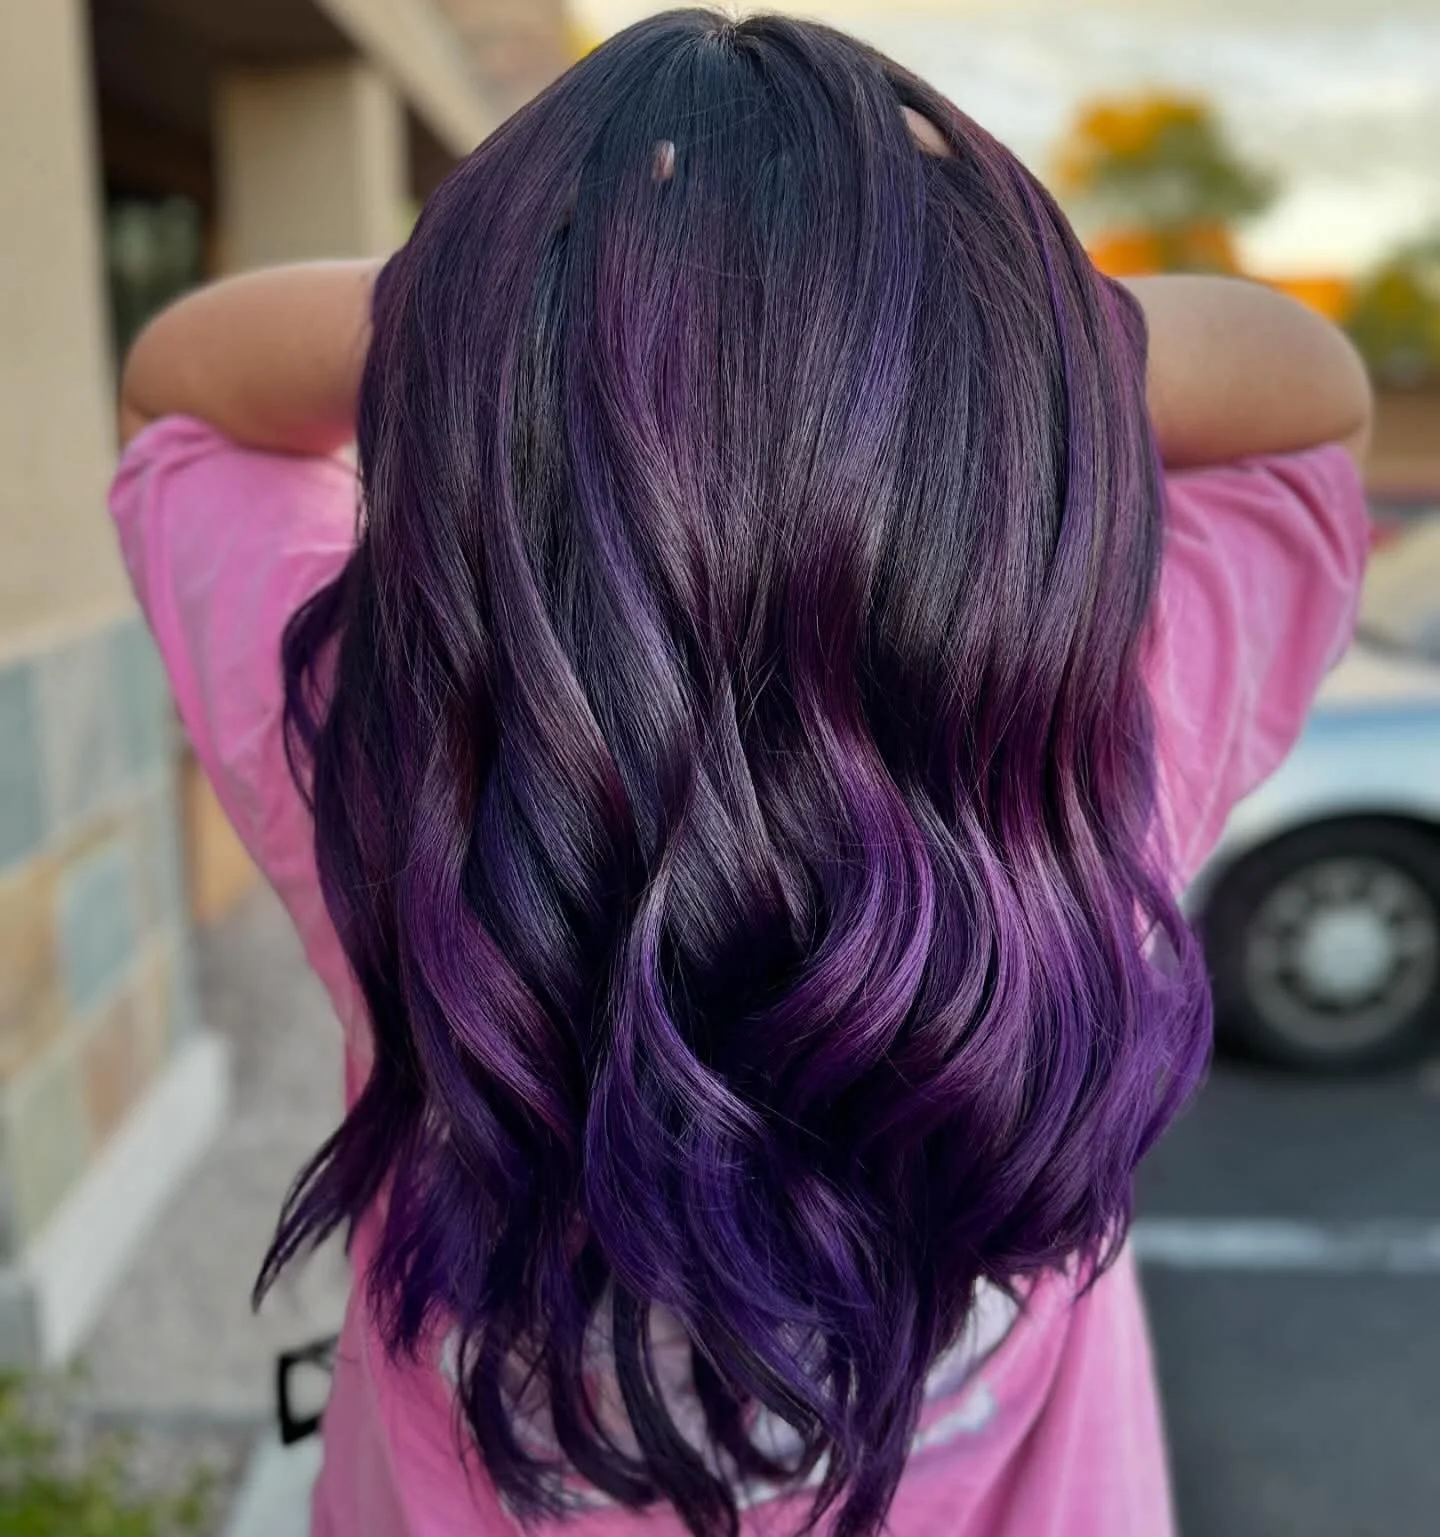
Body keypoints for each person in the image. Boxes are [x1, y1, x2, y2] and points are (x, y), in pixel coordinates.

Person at [109, 11, 1372, 1536]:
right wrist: (944, 323)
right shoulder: (1106, 757)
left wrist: (530, 313)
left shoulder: (378, 773)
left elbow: (182, 388)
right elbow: (1307, 391)